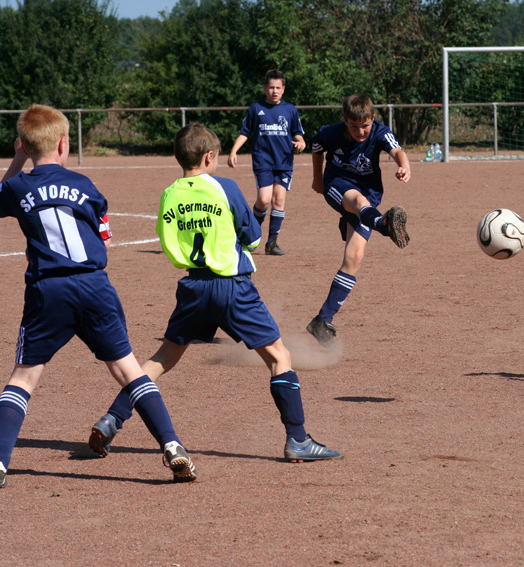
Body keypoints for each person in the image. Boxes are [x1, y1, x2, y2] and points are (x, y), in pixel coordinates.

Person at [88, 123, 341, 464]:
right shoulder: (225, 187)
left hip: (193, 286)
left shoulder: (169, 193)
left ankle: (112, 419)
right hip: (233, 286)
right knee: (279, 357)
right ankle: (297, 438)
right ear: (209, 156)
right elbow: (252, 237)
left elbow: (167, 242)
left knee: (163, 359)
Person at [0, 104, 197, 490]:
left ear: (26, 145)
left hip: (48, 289)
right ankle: (171, 445)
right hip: (94, 285)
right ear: (64, 144)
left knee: (24, 377)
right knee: (128, 369)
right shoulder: (86, 186)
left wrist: (18, 156)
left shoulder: (18, 186)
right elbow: (104, 239)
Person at [305, 94, 411, 346]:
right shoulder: (332, 133)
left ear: (373, 119)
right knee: (357, 201)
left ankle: (321, 320)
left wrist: (404, 165)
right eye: (354, 127)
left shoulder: (379, 132)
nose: (360, 131)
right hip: (338, 185)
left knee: (355, 257)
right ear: (345, 121)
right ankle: (384, 226)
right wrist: (317, 179)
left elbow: (397, 150)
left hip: (369, 192)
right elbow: (317, 147)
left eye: (365, 125)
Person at [228, 69, 306, 256]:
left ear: (283, 89)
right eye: (271, 87)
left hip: (284, 161)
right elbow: (245, 132)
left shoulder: (290, 110)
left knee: (278, 201)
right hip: (263, 160)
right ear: (265, 88)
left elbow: (297, 132)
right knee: (263, 200)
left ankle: (272, 243)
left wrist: (301, 142)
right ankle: (251, 236)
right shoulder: (256, 108)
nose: (274, 91)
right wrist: (233, 150)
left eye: (278, 87)